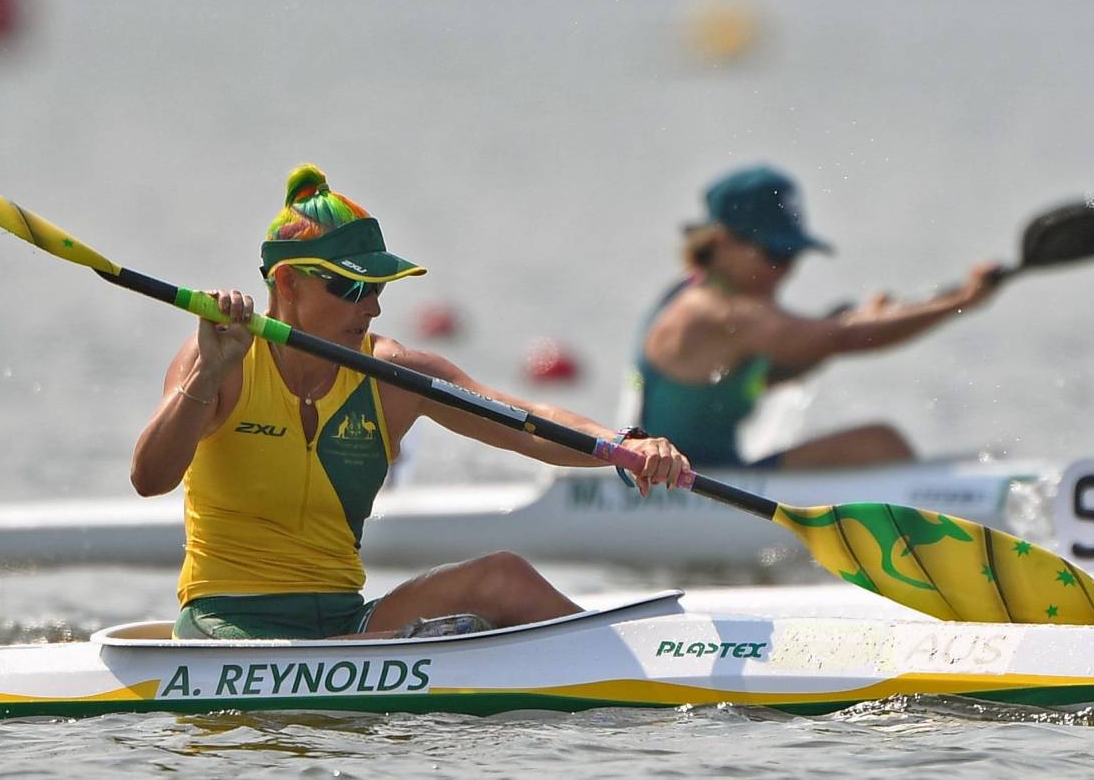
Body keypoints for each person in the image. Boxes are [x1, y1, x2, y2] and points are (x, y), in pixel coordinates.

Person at [131, 164, 689, 640]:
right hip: (224, 626)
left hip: (343, 625)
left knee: (504, 576)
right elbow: (149, 477)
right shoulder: (222, 358)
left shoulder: (390, 373)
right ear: (288, 282)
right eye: (352, 289)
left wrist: (622, 445)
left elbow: (525, 422)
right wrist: (209, 370)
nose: (371, 308)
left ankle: (633, 672)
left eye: (378, 288)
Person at [628, 165, 1003, 470]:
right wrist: (964, 300)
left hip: (710, 476)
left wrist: (863, 321)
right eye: (775, 254)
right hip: (685, 486)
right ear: (723, 242)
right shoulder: (715, 312)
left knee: (876, 444)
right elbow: (843, 339)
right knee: (878, 444)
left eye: (793, 255)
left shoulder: (700, 295)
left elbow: (785, 364)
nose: (784, 271)